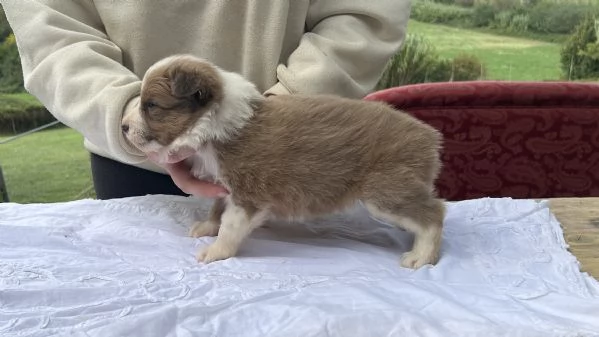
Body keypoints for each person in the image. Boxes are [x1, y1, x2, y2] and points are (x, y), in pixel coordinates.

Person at [1, 0, 411, 200]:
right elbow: (52, 32)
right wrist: (129, 113)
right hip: (134, 161)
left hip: (292, 150)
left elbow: (363, 15)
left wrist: (283, 114)